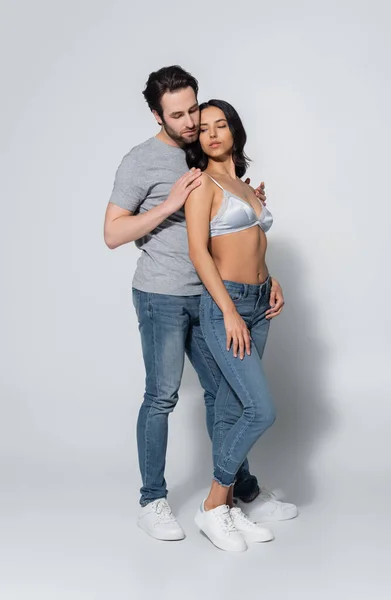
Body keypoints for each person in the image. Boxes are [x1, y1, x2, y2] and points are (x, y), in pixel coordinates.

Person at [104, 66, 294, 542]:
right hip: (164, 295)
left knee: (226, 397)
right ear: (156, 115)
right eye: (179, 115)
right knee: (163, 396)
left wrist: (250, 212)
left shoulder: (206, 151)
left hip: (215, 294)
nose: (191, 122)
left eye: (194, 109)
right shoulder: (140, 161)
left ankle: (235, 493)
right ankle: (153, 499)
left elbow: (230, 224)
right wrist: (168, 205)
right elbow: (111, 234)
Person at [185, 99, 297, 552]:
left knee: (231, 407)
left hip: (258, 301)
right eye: (204, 127)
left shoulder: (243, 185)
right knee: (260, 410)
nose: (212, 133)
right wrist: (229, 311)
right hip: (225, 305)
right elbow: (200, 252)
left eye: (221, 125)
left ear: (235, 130)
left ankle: (229, 505)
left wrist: (272, 278)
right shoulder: (202, 184)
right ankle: (213, 505)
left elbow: (251, 240)